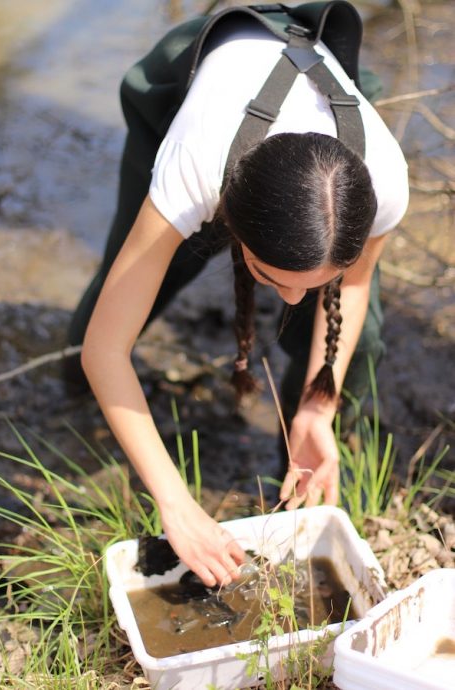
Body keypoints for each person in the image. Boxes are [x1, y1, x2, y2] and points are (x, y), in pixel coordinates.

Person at [70, 15, 409, 587]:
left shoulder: (384, 181)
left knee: (356, 337)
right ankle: (69, 401)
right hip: (197, 97)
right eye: (272, 275)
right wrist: (176, 505)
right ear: (231, 228)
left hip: (316, 123)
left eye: (309, 280)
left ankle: (292, 479)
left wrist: (316, 407)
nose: (294, 297)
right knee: (110, 315)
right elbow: (106, 349)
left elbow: (351, 287)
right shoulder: (194, 167)